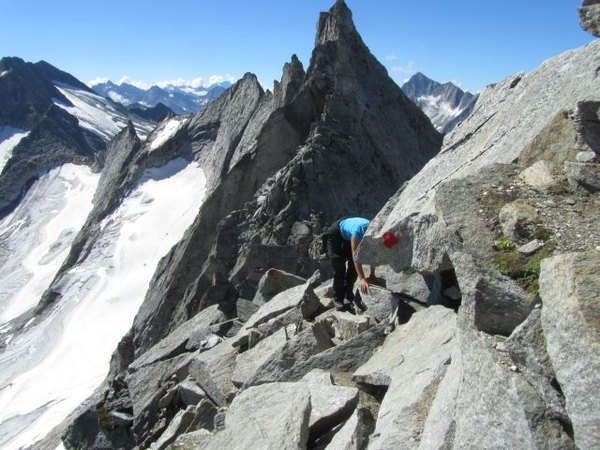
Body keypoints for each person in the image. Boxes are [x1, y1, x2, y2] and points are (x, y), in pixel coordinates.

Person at [325, 217, 375, 312]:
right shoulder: (358, 231)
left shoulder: (374, 232)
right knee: (339, 267)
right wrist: (362, 279)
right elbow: (356, 256)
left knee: (353, 267)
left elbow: (373, 253)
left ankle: (349, 295)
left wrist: (372, 274)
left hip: (347, 235)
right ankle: (338, 298)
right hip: (335, 233)